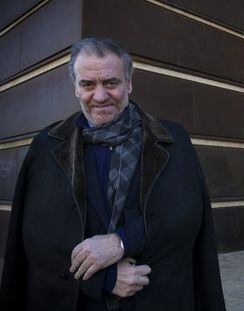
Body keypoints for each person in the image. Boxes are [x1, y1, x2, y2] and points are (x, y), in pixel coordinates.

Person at [0, 37, 226, 311]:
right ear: (75, 87)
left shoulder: (172, 138)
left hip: (160, 298)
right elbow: (36, 238)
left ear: (129, 82)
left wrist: (122, 241)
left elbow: (188, 215)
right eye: (88, 84)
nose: (100, 96)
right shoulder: (46, 145)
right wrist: (101, 279)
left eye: (111, 83)